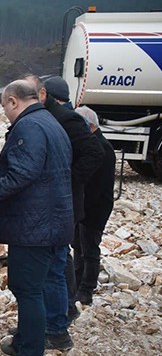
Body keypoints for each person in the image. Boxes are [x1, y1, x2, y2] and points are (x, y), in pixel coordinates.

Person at [0, 80, 74, 356]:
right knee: (31, 286)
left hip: (35, 225)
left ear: (13, 101)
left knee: (28, 289)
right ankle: (25, 341)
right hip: (53, 221)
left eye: (4, 107)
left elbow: (22, 173)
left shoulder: (30, 127)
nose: (5, 114)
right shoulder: (50, 122)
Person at [23, 74, 104, 349]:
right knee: (56, 262)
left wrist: (67, 179)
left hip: (63, 203)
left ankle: (58, 324)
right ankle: (52, 319)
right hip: (55, 204)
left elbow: (96, 151)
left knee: (56, 266)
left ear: (43, 95)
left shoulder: (67, 119)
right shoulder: (51, 118)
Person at [72, 105, 116, 310]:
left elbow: (98, 185)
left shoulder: (102, 148)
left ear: (89, 126)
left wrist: (83, 207)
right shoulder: (93, 143)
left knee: (89, 249)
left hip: (95, 207)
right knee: (79, 246)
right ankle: (77, 283)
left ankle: (86, 289)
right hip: (86, 204)